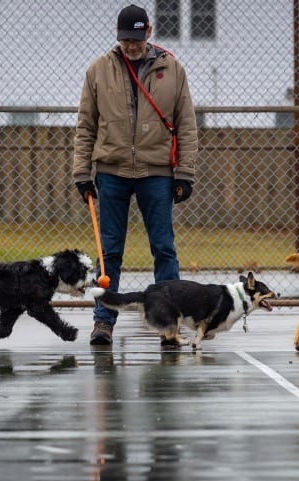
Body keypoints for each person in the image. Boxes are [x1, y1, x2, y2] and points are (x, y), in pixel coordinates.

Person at [73, 4, 198, 346]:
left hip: (156, 173)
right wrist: (82, 172)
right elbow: (85, 126)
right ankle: (103, 322)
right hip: (111, 172)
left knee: (163, 248)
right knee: (109, 251)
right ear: (118, 37)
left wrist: (184, 173)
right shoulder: (98, 70)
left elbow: (186, 124)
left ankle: (169, 325)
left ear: (149, 33)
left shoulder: (172, 69)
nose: (131, 45)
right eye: (125, 39)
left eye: (136, 38)